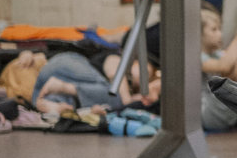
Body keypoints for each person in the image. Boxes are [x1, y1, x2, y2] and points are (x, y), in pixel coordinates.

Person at [30, 49, 160, 115]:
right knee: (114, 98)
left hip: (41, 91)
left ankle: (54, 105)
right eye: (144, 71)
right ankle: (64, 88)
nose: (143, 78)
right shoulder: (116, 58)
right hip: (66, 65)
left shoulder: (122, 90)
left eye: (147, 77)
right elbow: (115, 75)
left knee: (94, 104)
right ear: (135, 61)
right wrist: (128, 101)